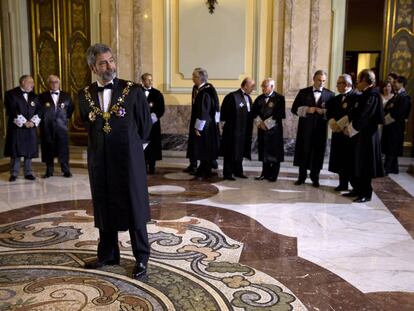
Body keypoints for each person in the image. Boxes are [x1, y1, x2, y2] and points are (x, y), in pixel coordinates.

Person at [78, 43, 152, 280]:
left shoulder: (133, 90)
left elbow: (145, 126)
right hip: (100, 161)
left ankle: (141, 257)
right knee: (104, 204)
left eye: (111, 60)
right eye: (103, 62)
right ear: (93, 67)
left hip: (129, 162)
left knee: (135, 208)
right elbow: (87, 126)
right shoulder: (85, 95)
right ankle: (108, 253)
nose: (109, 66)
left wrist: (133, 152)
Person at [343, 69, 384, 203]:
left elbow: (365, 116)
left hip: (367, 136)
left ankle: (366, 193)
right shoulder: (364, 94)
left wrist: (350, 129)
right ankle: (357, 189)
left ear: (365, 81)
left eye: (358, 81)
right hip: (360, 135)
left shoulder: (372, 95)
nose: (356, 83)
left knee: (365, 165)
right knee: (357, 163)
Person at [291, 70, 335, 187]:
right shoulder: (303, 92)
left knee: (318, 152)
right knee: (304, 151)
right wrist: (306, 109)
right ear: (314, 79)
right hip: (305, 129)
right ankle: (301, 177)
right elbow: (294, 109)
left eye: (323, 81)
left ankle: (315, 177)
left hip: (320, 130)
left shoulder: (330, 95)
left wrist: (324, 111)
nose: (321, 83)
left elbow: (333, 113)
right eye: (319, 80)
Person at [4, 75, 41, 182]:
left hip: (30, 127)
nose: (33, 85)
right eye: (31, 82)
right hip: (17, 128)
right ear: (23, 82)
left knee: (29, 149)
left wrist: (33, 122)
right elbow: (12, 109)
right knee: (16, 150)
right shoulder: (11, 94)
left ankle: (28, 172)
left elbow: (39, 110)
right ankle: (14, 173)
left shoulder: (34, 95)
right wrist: (24, 122)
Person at [185, 68, 220, 178]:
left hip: (204, 125)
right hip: (209, 124)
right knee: (205, 148)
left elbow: (203, 112)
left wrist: (198, 128)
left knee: (204, 148)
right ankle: (203, 168)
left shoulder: (204, 92)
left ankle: (205, 170)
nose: (192, 78)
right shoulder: (207, 89)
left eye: (194, 76)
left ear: (199, 78)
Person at [39, 75, 74, 178]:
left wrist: (63, 119)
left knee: (63, 148)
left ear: (59, 83)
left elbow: (71, 109)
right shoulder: (42, 97)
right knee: (48, 147)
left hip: (61, 127)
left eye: (56, 82)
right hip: (47, 127)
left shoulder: (66, 96)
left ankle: (66, 170)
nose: (54, 84)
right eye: (52, 82)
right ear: (48, 84)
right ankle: (49, 170)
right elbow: (39, 111)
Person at [220, 77, 255, 180]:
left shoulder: (248, 98)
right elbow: (224, 113)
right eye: (252, 86)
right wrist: (224, 126)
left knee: (240, 151)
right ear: (245, 85)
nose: (253, 88)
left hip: (244, 131)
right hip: (232, 131)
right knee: (231, 151)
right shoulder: (232, 96)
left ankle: (238, 171)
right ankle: (228, 173)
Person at [253, 78, 286, 182]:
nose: (262, 88)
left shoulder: (279, 98)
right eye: (262, 86)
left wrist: (266, 124)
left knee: (274, 154)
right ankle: (264, 174)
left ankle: (274, 175)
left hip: (274, 131)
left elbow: (279, 114)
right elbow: (254, 112)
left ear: (272, 87)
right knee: (264, 152)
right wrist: (259, 123)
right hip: (262, 130)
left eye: (265, 86)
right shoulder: (259, 98)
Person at [381, 75, 411, 175]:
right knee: (390, 146)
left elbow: (399, 112)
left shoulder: (405, 97)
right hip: (390, 125)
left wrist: (385, 120)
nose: (393, 84)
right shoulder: (396, 95)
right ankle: (394, 168)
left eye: (395, 82)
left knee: (391, 147)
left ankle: (387, 168)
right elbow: (388, 107)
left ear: (401, 84)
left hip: (396, 126)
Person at [140, 73, 165, 174]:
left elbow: (161, 109)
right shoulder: (138, 92)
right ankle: (143, 165)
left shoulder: (157, 93)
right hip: (141, 125)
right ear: (142, 81)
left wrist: (151, 118)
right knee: (142, 144)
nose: (150, 82)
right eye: (147, 80)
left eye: (151, 79)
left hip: (153, 125)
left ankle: (152, 166)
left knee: (152, 145)